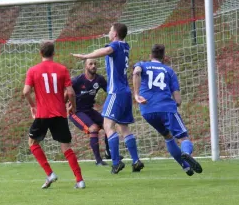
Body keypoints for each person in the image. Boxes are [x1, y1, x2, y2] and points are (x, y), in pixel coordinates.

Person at [72, 22, 144, 174]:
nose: (109, 32)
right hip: (125, 92)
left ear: (115, 34)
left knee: (107, 126)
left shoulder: (116, 45)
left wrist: (85, 56)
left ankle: (116, 162)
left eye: (110, 30)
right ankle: (136, 160)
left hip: (116, 92)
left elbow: (105, 50)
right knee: (124, 127)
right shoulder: (126, 46)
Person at [132, 44, 203, 176]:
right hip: (166, 108)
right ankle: (186, 154)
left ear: (150, 56)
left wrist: (136, 95)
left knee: (167, 136)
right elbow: (178, 99)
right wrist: (176, 104)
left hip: (147, 110)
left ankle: (186, 167)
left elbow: (136, 72)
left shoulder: (143, 64)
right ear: (163, 57)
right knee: (183, 137)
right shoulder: (169, 71)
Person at [23, 41, 85, 189]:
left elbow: (25, 92)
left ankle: (50, 174)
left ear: (40, 53)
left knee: (32, 143)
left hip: (43, 114)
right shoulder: (62, 69)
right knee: (66, 147)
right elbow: (70, 92)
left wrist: (33, 106)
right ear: (53, 53)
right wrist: (73, 108)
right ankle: (79, 180)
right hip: (59, 114)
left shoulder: (33, 70)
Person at [68, 58, 113, 165]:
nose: (93, 66)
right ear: (86, 66)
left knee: (108, 125)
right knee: (94, 128)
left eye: (95, 64)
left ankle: (109, 153)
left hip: (89, 110)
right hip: (76, 112)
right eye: (90, 64)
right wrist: (66, 104)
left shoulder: (99, 79)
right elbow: (66, 91)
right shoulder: (77, 80)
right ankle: (98, 160)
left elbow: (110, 92)